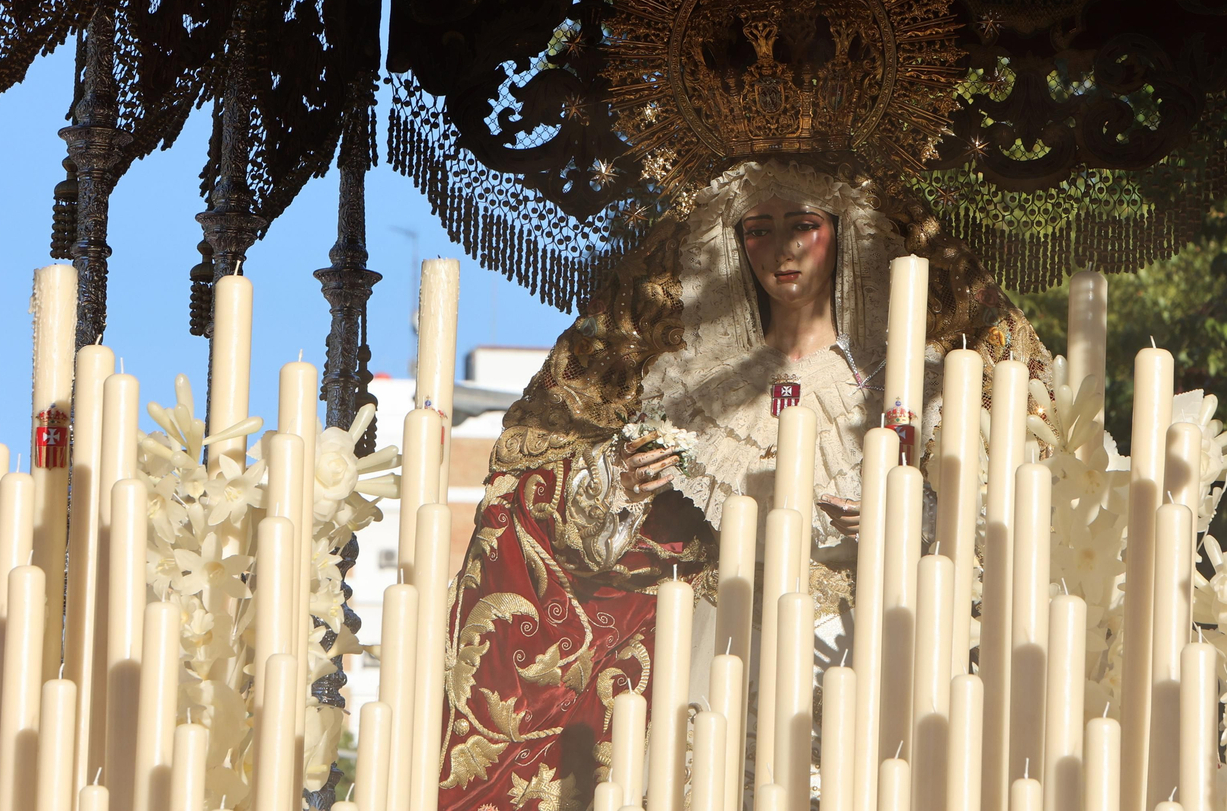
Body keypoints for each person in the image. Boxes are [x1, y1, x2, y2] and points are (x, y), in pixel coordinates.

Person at [438, 159, 1050, 811]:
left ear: (844, 231)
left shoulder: (907, 374)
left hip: (864, 639)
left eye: (803, 224)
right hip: (719, 638)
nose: (781, 249)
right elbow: (559, 517)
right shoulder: (692, 376)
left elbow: (996, 506)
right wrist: (621, 482)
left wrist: (904, 518)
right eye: (758, 228)